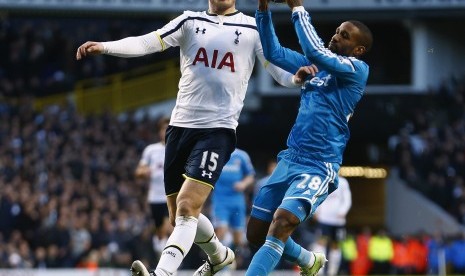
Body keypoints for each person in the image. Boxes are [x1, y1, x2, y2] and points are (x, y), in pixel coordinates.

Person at [76, 0, 314, 275]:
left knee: (188, 205)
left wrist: (296, 79)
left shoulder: (251, 27)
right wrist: (105, 47)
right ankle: (220, 255)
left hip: (218, 130)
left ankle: (162, 272)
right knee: (179, 216)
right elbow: (146, 43)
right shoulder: (189, 21)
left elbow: (276, 70)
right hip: (179, 128)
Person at [245, 0, 373, 275]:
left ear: (359, 49)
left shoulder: (356, 71)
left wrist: (297, 7)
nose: (336, 36)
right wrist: (264, 10)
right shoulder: (313, 65)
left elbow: (314, 49)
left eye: (344, 35)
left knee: (282, 222)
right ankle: (307, 259)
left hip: (319, 164)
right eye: (337, 31)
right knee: (255, 234)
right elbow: (273, 51)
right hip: (291, 157)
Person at [210, 148, 255, 267]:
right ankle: (215, 262)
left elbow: (250, 175)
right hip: (220, 201)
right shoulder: (216, 153)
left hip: (237, 202)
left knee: (238, 239)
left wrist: (243, 184)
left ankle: (233, 261)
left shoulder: (241, 155)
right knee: (221, 232)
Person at [134, 117, 172, 258]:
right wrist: (145, 171)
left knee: (170, 228)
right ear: (159, 132)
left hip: (173, 195)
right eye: (163, 129)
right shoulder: (151, 150)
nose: (166, 131)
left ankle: (168, 258)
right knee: (160, 232)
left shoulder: (179, 148)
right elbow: (139, 171)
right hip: (155, 197)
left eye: (168, 128)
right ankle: (162, 255)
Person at [313, 176, 352, 275]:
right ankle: (320, 270)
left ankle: (332, 271)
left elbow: (347, 199)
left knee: (335, 245)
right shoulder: (322, 180)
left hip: (338, 220)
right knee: (321, 242)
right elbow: (317, 197)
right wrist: (316, 211)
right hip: (324, 218)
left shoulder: (343, 182)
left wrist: (343, 211)